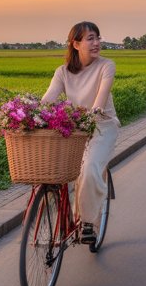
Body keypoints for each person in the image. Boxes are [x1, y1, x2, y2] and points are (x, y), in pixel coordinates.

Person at [42, 21, 119, 246]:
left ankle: (87, 221)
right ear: (75, 44)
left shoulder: (107, 65)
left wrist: (94, 110)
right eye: (90, 39)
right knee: (52, 172)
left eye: (97, 38)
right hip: (73, 128)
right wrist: (31, 114)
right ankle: (63, 216)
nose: (96, 43)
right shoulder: (63, 72)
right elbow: (49, 98)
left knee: (89, 169)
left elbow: (101, 95)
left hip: (101, 125)